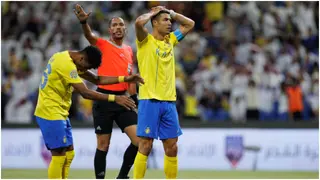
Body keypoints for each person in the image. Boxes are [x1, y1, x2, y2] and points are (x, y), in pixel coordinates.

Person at [34, 45, 144, 179]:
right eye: (86, 67)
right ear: (82, 59)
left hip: (60, 112)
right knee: (59, 154)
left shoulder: (68, 59)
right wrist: (115, 98)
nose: (85, 71)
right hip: (50, 112)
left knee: (69, 153)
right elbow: (85, 93)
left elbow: (97, 80)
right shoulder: (66, 65)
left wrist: (125, 79)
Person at [74, 4, 140, 179]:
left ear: (125, 29)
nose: (118, 28)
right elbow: (89, 36)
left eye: (121, 25)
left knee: (139, 141)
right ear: (110, 30)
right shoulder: (102, 44)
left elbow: (130, 77)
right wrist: (83, 23)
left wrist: (135, 100)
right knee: (103, 145)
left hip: (123, 100)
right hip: (104, 98)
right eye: (114, 25)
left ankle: (122, 176)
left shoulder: (128, 50)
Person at [133, 6, 195, 178]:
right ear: (154, 22)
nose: (170, 23)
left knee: (172, 147)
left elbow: (190, 24)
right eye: (165, 20)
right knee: (145, 145)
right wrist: (154, 12)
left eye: (170, 20)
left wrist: (171, 12)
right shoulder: (145, 41)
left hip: (168, 102)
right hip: (149, 100)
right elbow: (138, 23)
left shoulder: (171, 40)